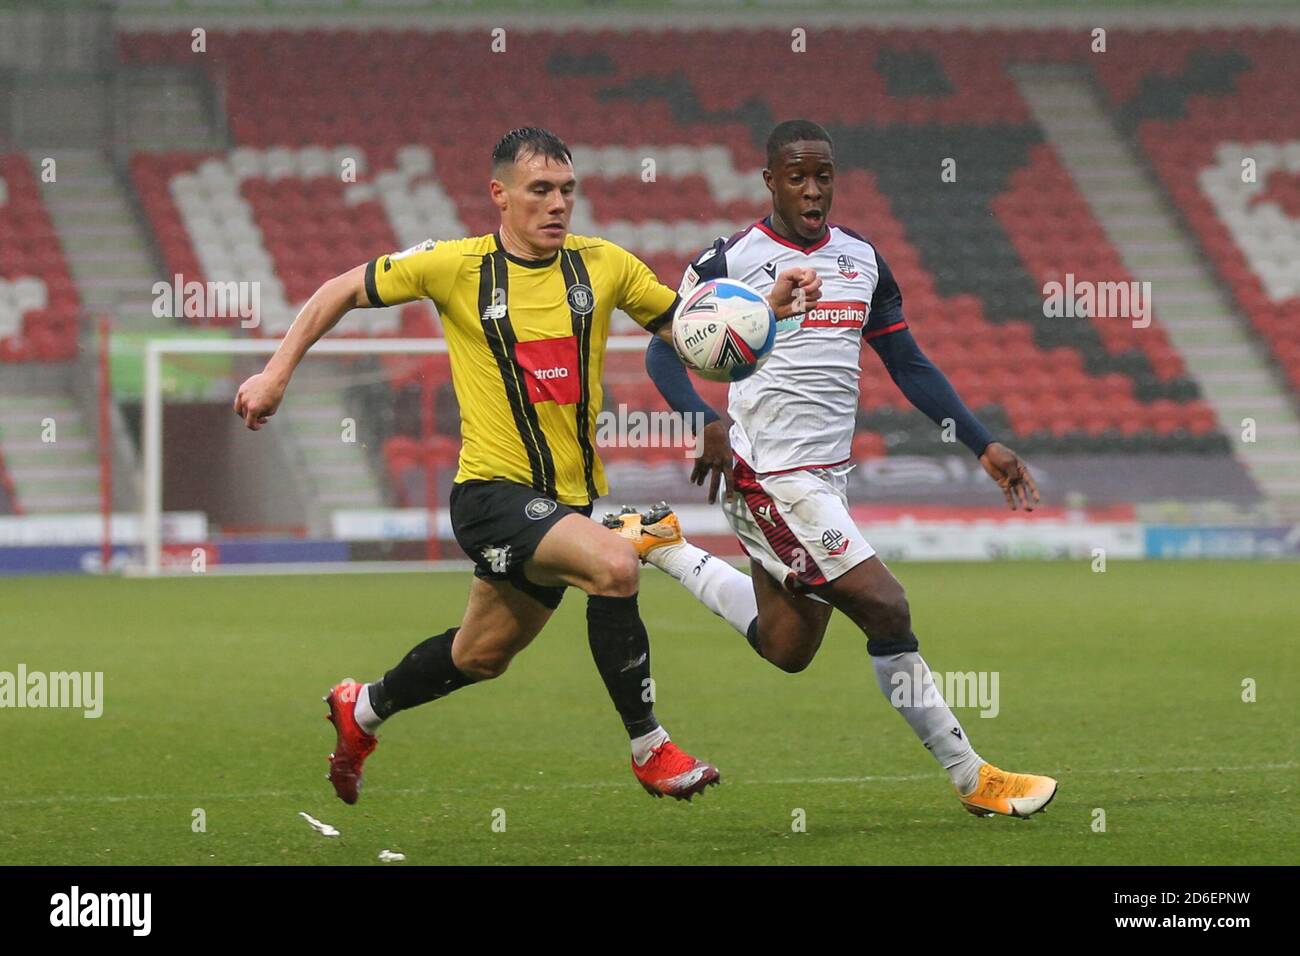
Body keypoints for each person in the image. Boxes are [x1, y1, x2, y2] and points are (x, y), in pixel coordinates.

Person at [233, 126, 820, 804]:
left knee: (479, 656)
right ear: (500, 196)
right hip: (490, 496)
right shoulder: (454, 265)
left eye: (567, 191)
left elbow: (692, 332)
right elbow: (338, 289)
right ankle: (650, 747)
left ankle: (361, 708)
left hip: (566, 503)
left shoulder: (603, 265)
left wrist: (766, 307)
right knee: (616, 565)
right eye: (540, 190)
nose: (556, 204)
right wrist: (276, 374)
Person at [616, 119, 1057, 818]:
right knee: (886, 606)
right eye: (797, 176)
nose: (813, 189)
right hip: (770, 475)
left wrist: (982, 443)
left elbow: (907, 360)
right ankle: (972, 775)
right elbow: (663, 349)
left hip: (825, 480)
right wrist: (704, 420)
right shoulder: (730, 262)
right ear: (769, 180)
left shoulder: (862, 258)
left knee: (788, 648)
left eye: (823, 175)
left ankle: (667, 547)